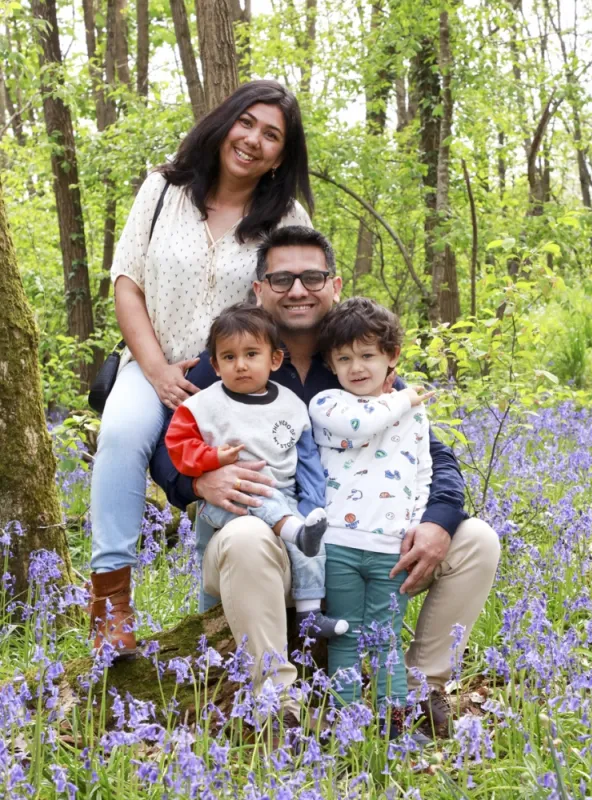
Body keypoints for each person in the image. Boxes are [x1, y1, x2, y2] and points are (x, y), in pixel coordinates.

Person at [150, 225, 501, 729]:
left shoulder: (355, 362)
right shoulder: (227, 362)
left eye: (312, 277)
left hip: (358, 545)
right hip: (264, 552)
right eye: (282, 278)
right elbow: (167, 447)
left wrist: (439, 521)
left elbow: (433, 454)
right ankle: (278, 705)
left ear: (334, 286)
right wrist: (196, 483)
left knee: (478, 539)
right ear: (260, 289)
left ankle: (419, 693)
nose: (298, 290)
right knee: (248, 533)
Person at [89, 80, 315, 656]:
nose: (253, 141)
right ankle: (111, 601)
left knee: (244, 482)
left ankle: (235, 613)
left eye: (272, 136)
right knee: (119, 435)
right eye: (248, 123)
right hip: (154, 363)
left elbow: (294, 297)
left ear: (281, 156)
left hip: (240, 378)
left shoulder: (285, 214)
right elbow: (127, 282)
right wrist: (158, 368)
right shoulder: (164, 188)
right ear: (226, 121)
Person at [165, 303, 347, 637]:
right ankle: (292, 530)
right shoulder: (203, 406)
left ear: (274, 360)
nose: (241, 365)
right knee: (261, 499)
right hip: (230, 503)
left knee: (311, 548)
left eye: (251, 354)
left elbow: (306, 460)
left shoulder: (291, 405)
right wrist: (212, 459)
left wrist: (311, 503)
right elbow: (177, 447)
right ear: (216, 365)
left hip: (287, 501)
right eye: (229, 357)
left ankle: (309, 615)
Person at [309, 296, 434, 737]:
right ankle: (347, 724)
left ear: (391, 356)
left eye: (367, 355)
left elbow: (423, 471)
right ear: (331, 363)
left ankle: (392, 726)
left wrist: (418, 522)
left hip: (391, 548)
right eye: (344, 358)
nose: (356, 367)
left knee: (386, 641)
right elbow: (361, 426)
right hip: (339, 544)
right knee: (343, 635)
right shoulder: (327, 404)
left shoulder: (414, 414)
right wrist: (406, 397)